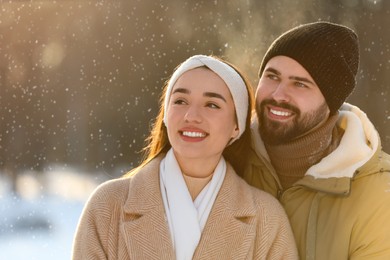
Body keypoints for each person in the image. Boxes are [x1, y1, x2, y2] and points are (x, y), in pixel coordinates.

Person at [72, 54, 298, 259]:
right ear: (165, 116)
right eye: (180, 101)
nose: (192, 116)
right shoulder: (108, 206)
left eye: (212, 104)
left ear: (236, 127)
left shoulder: (266, 217)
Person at [241, 21, 390, 260]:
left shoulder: (378, 193)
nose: (278, 94)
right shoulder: (228, 158)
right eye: (272, 76)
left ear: (329, 102)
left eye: (300, 84)